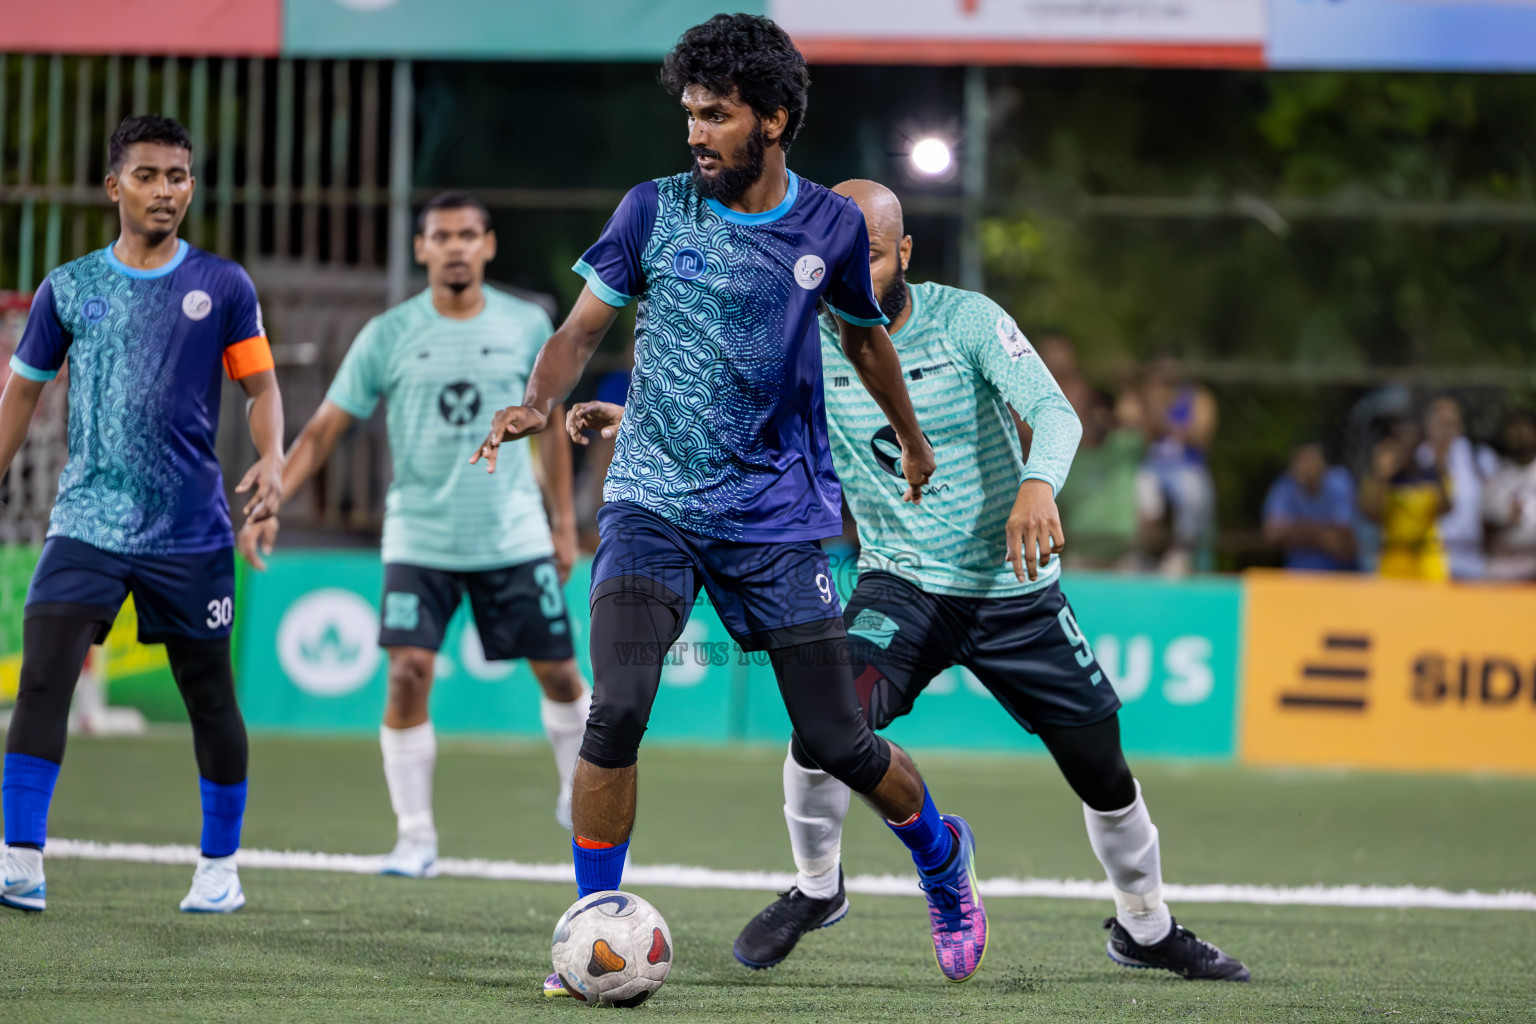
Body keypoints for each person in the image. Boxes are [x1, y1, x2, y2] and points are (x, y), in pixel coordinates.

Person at [569, 180, 1249, 985]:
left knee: (1103, 774)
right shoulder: (808, 336)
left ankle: (1146, 926)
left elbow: (1056, 413)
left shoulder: (969, 321)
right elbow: (729, 409)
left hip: (1012, 593)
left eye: (875, 253)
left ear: (906, 254)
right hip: (899, 585)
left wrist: (1037, 485)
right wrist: (636, 421)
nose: (855, 265)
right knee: (826, 732)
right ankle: (819, 888)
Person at [477, 16, 987, 993]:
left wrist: (914, 439)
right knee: (616, 707)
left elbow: (867, 340)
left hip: (776, 516)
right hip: (651, 501)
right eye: (689, 115)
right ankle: (594, 920)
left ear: (776, 118)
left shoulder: (831, 228)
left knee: (837, 740)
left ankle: (939, 857)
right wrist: (539, 400)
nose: (696, 134)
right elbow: (583, 326)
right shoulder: (653, 209)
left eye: (716, 116)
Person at [237, 192, 590, 878]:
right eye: (441, 236)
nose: (455, 246)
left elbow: (548, 425)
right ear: (421, 248)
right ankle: (415, 836)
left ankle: (579, 794)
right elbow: (324, 429)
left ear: (488, 246)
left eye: (467, 235)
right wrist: (276, 493)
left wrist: (564, 524)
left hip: (512, 536)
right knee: (405, 675)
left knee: (559, 674)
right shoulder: (387, 333)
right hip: (419, 537)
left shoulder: (528, 325)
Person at [0, 116, 285, 913]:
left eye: (180, 177)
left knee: (209, 696)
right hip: (84, 522)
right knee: (44, 679)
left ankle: (219, 868)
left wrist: (273, 455)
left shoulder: (224, 286)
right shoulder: (70, 286)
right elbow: (21, 393)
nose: (167, 190)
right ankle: (20, 860)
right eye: (151, 175)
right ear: (113, 186)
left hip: (189, 532)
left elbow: (261, 389)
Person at [1140, 357, 1218, 574]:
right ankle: (1146, 553)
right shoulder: (1152, 397)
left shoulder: (1197, 397)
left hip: (1188, 468)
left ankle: (1183, 552)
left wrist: (1167, 424)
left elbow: (1201, 436)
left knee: (1193, 495)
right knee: (1142, 494)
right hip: (1155, 468)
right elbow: (1144, 436)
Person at [1359, 419, 1451, 581]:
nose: (1406, 444)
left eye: (1411, 437)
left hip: (1427, 563)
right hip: (1393, 562)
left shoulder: (1431, 474)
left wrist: (1441, 469)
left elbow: (1446, 509)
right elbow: (1371, 515)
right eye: (1400, 438)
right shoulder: (1379, 478)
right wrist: (1381, 476)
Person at [1416, 397, 1495, 580]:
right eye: (1440, 423)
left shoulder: (1479, 458)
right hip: (1429, 560)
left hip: (1472, 562)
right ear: (1427, 425)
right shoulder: (1416, 461)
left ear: (1461, 426)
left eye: (1451, 423)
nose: (1445, 430)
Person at [1262, 442, 1357, 572]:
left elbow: (1344, 545)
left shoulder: (1338, 482)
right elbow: (1272, 534)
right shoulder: (1285, 485)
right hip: (1296, 576)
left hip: (1337, 577)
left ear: (1323, 464)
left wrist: (1295, 531)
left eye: (1310, 460)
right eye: (1300, 461)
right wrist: (1323, 535)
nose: (1305, 467)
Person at [1482, 411, 1536, 582]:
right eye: (1513, 432)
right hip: (1505, 570)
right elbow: (1484, 531)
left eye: (1524, 431)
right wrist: (1507, 523)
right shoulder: (1495, 478)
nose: (1519, 436)